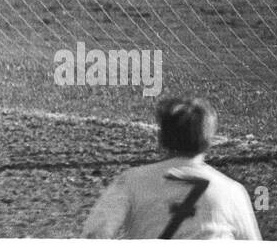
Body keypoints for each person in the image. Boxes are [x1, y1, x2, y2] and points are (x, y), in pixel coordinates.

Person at [83, 96, 262, 239]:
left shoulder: (131, 180)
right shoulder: (232, 191)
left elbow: (95, 236)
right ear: (209, 141)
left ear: (161, 140)